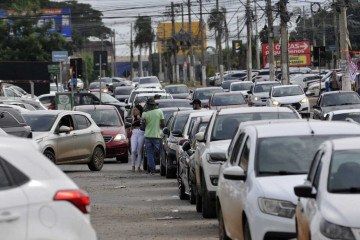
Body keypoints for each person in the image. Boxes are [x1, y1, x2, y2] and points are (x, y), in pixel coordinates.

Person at [142, 98, 165, 174]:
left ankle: (152, 170)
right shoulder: (159, 112)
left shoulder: (145, 113)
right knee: (160, 153)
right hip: (157, 135)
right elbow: (163, 124)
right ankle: (162, 167)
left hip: (148, 135)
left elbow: (143, 125)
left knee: (149, 153)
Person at [130, 104, 145, 172]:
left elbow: (144, 124)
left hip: (141, 133)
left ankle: (138, 166)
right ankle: (133, 165)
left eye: (136, 110)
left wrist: (140, 119)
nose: (134, 111)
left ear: (140, 111)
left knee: (139, 150)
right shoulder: (133, 118)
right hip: (134, 133)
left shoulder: (142, 117)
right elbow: (131, 127)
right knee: (133, 150)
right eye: (134, 110)